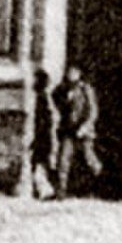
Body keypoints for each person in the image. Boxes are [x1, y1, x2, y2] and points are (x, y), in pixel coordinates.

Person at [50, 64, 101, 200]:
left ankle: (99, 185)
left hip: (84, 131)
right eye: (69, 72)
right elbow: (54, 97)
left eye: (74, 72)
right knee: (63, 159)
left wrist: (85, 126)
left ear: (79, 74)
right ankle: (61, 191)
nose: (71, 75)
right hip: (69, 130)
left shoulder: (86, 90)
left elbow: (93, 111)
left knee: (89, 159)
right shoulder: (63, 89)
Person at [29, 68, 59, 200]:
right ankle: (45, 189)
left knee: (38, 162)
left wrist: (35, 137)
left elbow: (44, 120)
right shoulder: (45, 97)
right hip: (44, 136)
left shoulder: (42, 98)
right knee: (41, 163)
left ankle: (46, 190)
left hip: (42, 136)